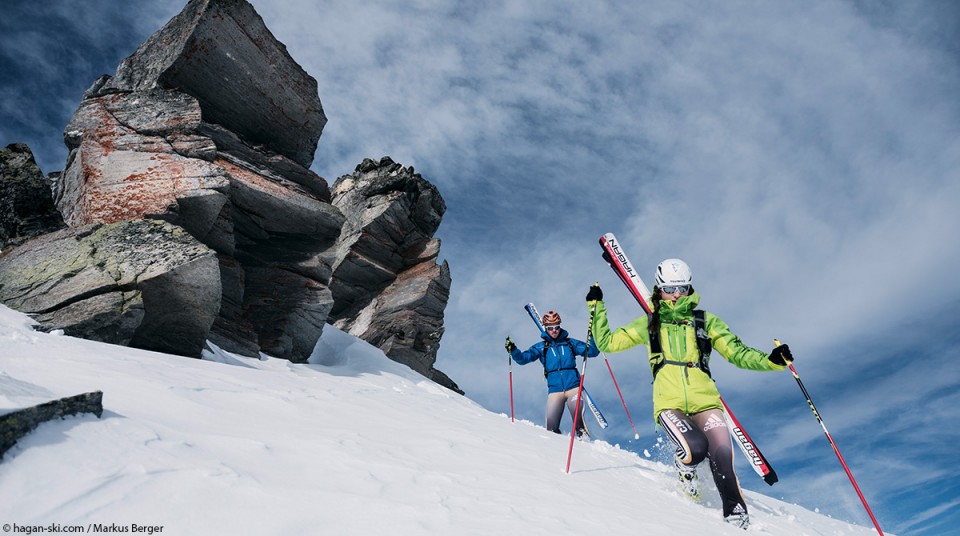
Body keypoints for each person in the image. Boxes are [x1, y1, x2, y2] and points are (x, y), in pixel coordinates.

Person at [584, 259, 792, 530]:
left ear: (689, 287)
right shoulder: (650, 323)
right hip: (669, 403)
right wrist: (596, 308)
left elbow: (737, 353)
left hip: (705, 401)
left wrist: (772, 360)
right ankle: (685, 471)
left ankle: (737, 519)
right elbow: (608, 344)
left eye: (681, 288)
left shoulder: (705, 321)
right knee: (695, 450)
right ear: (659, 290)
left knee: (722, 454)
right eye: (670, 289)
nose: (676, 295)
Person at [505, 310, 600, 437]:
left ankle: (584, 441)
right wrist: (514, 350)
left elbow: (592, 352)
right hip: (555, 390)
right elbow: (523, 359)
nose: (554, 330)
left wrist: (593, 336)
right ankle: (556, 450)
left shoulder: (570, 343)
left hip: (574, 387)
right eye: (550, 328)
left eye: (556, 327)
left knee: (578, 422)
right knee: (551, 429)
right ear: (546, 328)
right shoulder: (541, 347)